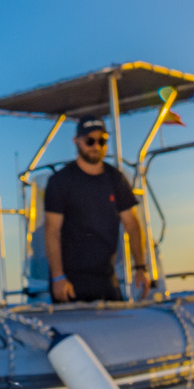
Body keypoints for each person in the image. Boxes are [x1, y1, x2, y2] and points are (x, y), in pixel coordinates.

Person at [43, 117, 151, 303]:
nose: (96, 146)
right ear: (76, 141)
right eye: (90, 141)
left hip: (107, 278)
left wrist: (140, 268)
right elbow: (52, 231)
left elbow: (132, 225)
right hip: (71, 282)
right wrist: (58, 277)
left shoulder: (115, 179)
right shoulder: (60, 182)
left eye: (102, 141)